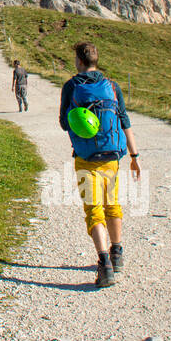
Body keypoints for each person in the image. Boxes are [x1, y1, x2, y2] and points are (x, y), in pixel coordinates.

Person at [58, 41, 140, 288]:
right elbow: (125, 120)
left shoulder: (71, 86)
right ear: (96, 60)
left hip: (85, 158)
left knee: (94, 209)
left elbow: (64, 123)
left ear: (79, 61)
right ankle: (117, 253)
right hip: (112, 157)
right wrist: (134, 157)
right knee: (112, 204)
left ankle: (104, 265)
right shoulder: (113, 86)